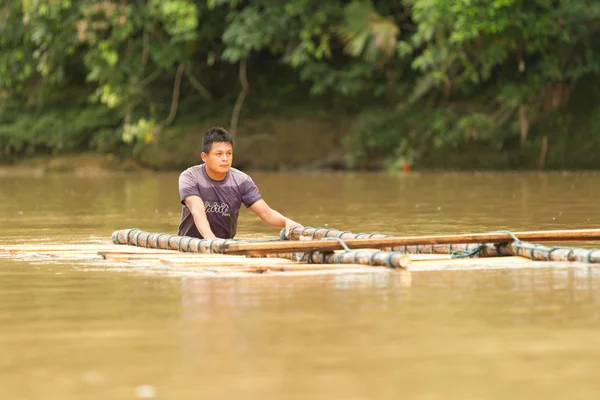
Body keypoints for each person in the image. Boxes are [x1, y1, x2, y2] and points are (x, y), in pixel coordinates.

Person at [177, 126, 302, 239]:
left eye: (229, 153)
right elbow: (197, 211)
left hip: (226, 246)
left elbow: (266, 212)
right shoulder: (190, 177)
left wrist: (287, 222)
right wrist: (211, 240)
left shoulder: (242, 181)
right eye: (219, 154)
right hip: (191, 245)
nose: (225, 159)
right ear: (204, 157)